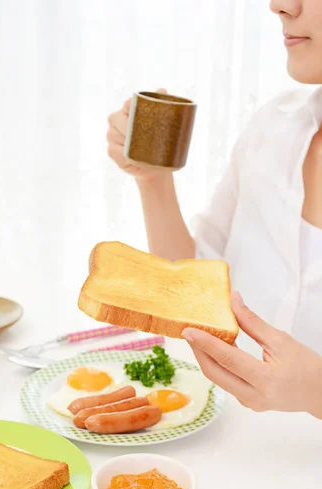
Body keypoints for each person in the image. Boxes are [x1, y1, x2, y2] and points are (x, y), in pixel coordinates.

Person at [106, 0, 322, 418]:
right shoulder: (274, 126)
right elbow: (191, 289)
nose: (279, 5)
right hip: (225, 445)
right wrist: (153, 180)